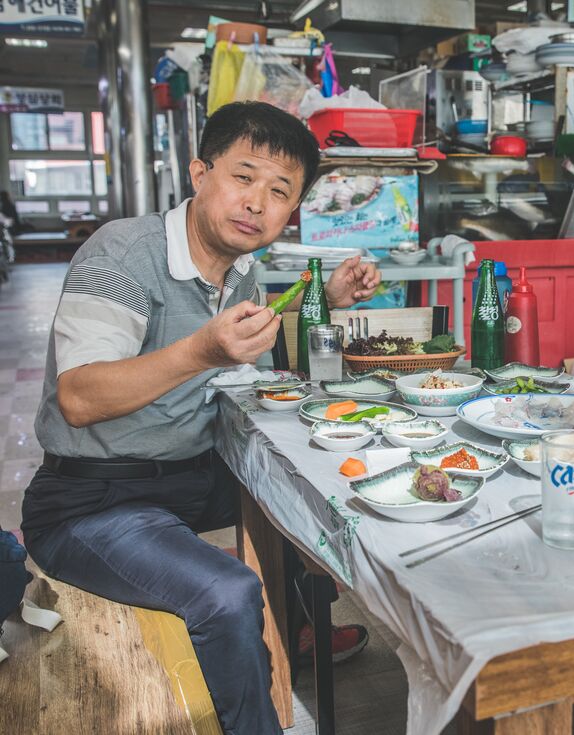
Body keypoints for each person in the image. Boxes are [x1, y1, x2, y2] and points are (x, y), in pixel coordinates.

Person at [20, 101, 382, 734]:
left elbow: (251, 339)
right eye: (243, 177)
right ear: (199, 173)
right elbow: (79, 397)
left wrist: (326, 298)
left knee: (313, 498)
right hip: (92, 500)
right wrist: (201, 351)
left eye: (279, 191)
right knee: (226, 593)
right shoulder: (124, 254)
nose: (256, 203)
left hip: (189, 475)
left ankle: (296, 630)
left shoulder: (239, 273)